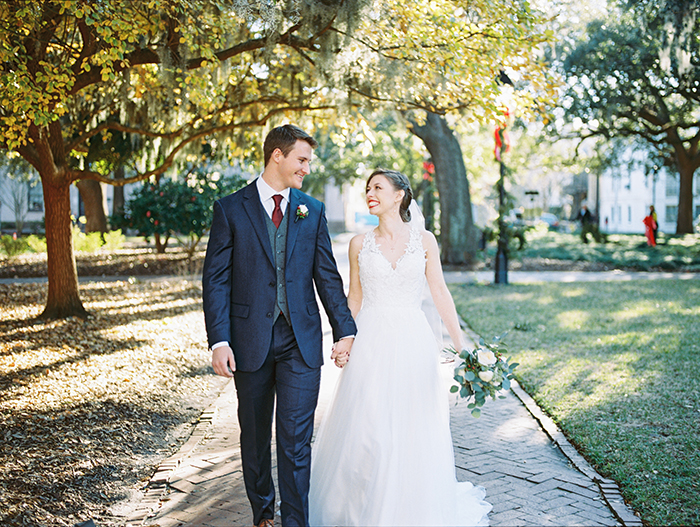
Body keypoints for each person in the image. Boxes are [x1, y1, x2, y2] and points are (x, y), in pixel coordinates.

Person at [308, 169, 492, 526]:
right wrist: (344, 338)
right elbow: (354, 298)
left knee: (412, 426)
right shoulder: (360, 244)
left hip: (412, 342)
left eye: (378, 187)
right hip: (370, 342)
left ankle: (409, 509)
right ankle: (361, 507)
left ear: (399, 196)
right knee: (368, 426)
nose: (370, 194)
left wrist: (463, 346)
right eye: (367, 189)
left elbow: (439, 292)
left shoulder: (424, 241)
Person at [201, 124, 357, 527]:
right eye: (302, 159)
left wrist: (345, 329)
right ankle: (263, 514)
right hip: (248, 341)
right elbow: (216, 279)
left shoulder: (312, 209)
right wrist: (219, 340)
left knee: (295, 442)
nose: (306, 168)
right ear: (277, 156)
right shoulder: (230, 208)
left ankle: (296, 521)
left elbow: (326, 275)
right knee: (254, 439)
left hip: (300, 341)